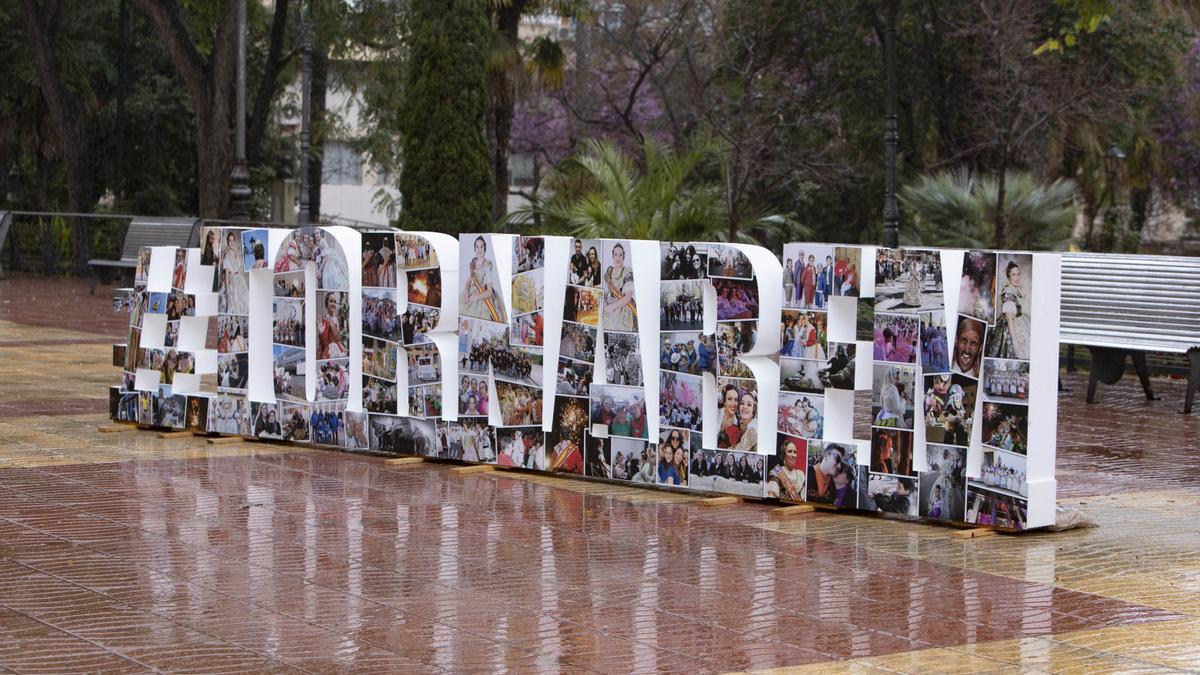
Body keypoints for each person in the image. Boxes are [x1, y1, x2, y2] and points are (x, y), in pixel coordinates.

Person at [988, 260, 1031, 360]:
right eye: (1013, 275)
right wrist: (1015, 343)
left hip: (1019, 323)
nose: (1017, 277)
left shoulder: (1016, 290)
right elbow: (1009, 319)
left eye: (1018, 274)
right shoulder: (1008, 292)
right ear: (1009, 277)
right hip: (1011, 328)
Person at [461, 236, 504, 322]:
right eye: (477, 247)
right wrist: (466, 293)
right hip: (471, 294)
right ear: (474, 248)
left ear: (485, 248)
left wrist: (474, 297)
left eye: (481, 246)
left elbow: (489, 292)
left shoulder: (487, 265)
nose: (479, 249)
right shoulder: (473, 262)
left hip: (482, 297)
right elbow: (468, 282)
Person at [603, 243, 637, 331]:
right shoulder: (609, 270)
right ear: (613, 256)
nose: (618, 258)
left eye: (620, 255)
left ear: (623, 257)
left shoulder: (627, 271)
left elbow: (628, 298)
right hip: (610, 303)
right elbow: (607, 292)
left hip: (623, 306)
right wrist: (606, 302)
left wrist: (611, 307)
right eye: (615, 254)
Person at [318, 293, 347, 359]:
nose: (333, 304)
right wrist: (321, 333)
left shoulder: (335, 319)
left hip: (337, 348)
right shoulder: (325, 320)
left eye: (335, 302)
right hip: (330, 351)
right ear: (326, 303)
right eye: (331, 301)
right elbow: (324, 343)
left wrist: (341, 347)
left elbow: (337, 338)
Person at [717, 384, 741, 449]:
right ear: (724, 402)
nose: (733, 403)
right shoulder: (718, 414)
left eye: (736, 400)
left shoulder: (737, 421)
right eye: (730, 399)